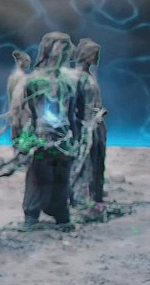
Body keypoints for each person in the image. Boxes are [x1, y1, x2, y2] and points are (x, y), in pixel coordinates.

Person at [18, 32, 87, 227]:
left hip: (64, 137)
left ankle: (61, 214)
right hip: (41, 137)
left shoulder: (72, 82)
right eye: (60, 48)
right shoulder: (34, 80)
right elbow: (30, 111)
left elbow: (75, 112)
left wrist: (76, 137)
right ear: (48, 50)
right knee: (37, 175)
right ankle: (31, 215)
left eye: (66, 49)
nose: (63, 53)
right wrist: (27, 138)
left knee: (62, 176)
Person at [69, 38, 106, 206]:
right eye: (95, 54)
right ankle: (80, 198)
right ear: (87, 55)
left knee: (97, 163)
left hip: (97, 126)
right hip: (84, 128)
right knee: (84, 163)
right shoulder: (76, 77)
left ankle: (95, 196)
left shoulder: (90, 75)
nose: (97, 57)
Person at [7, 50, 31, 142]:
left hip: (15, 109)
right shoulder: (22, 77)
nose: (28, 64)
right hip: (21, 110)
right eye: (27, 61)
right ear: (21, 61)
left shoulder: (12, 76)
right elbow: (17, 96)